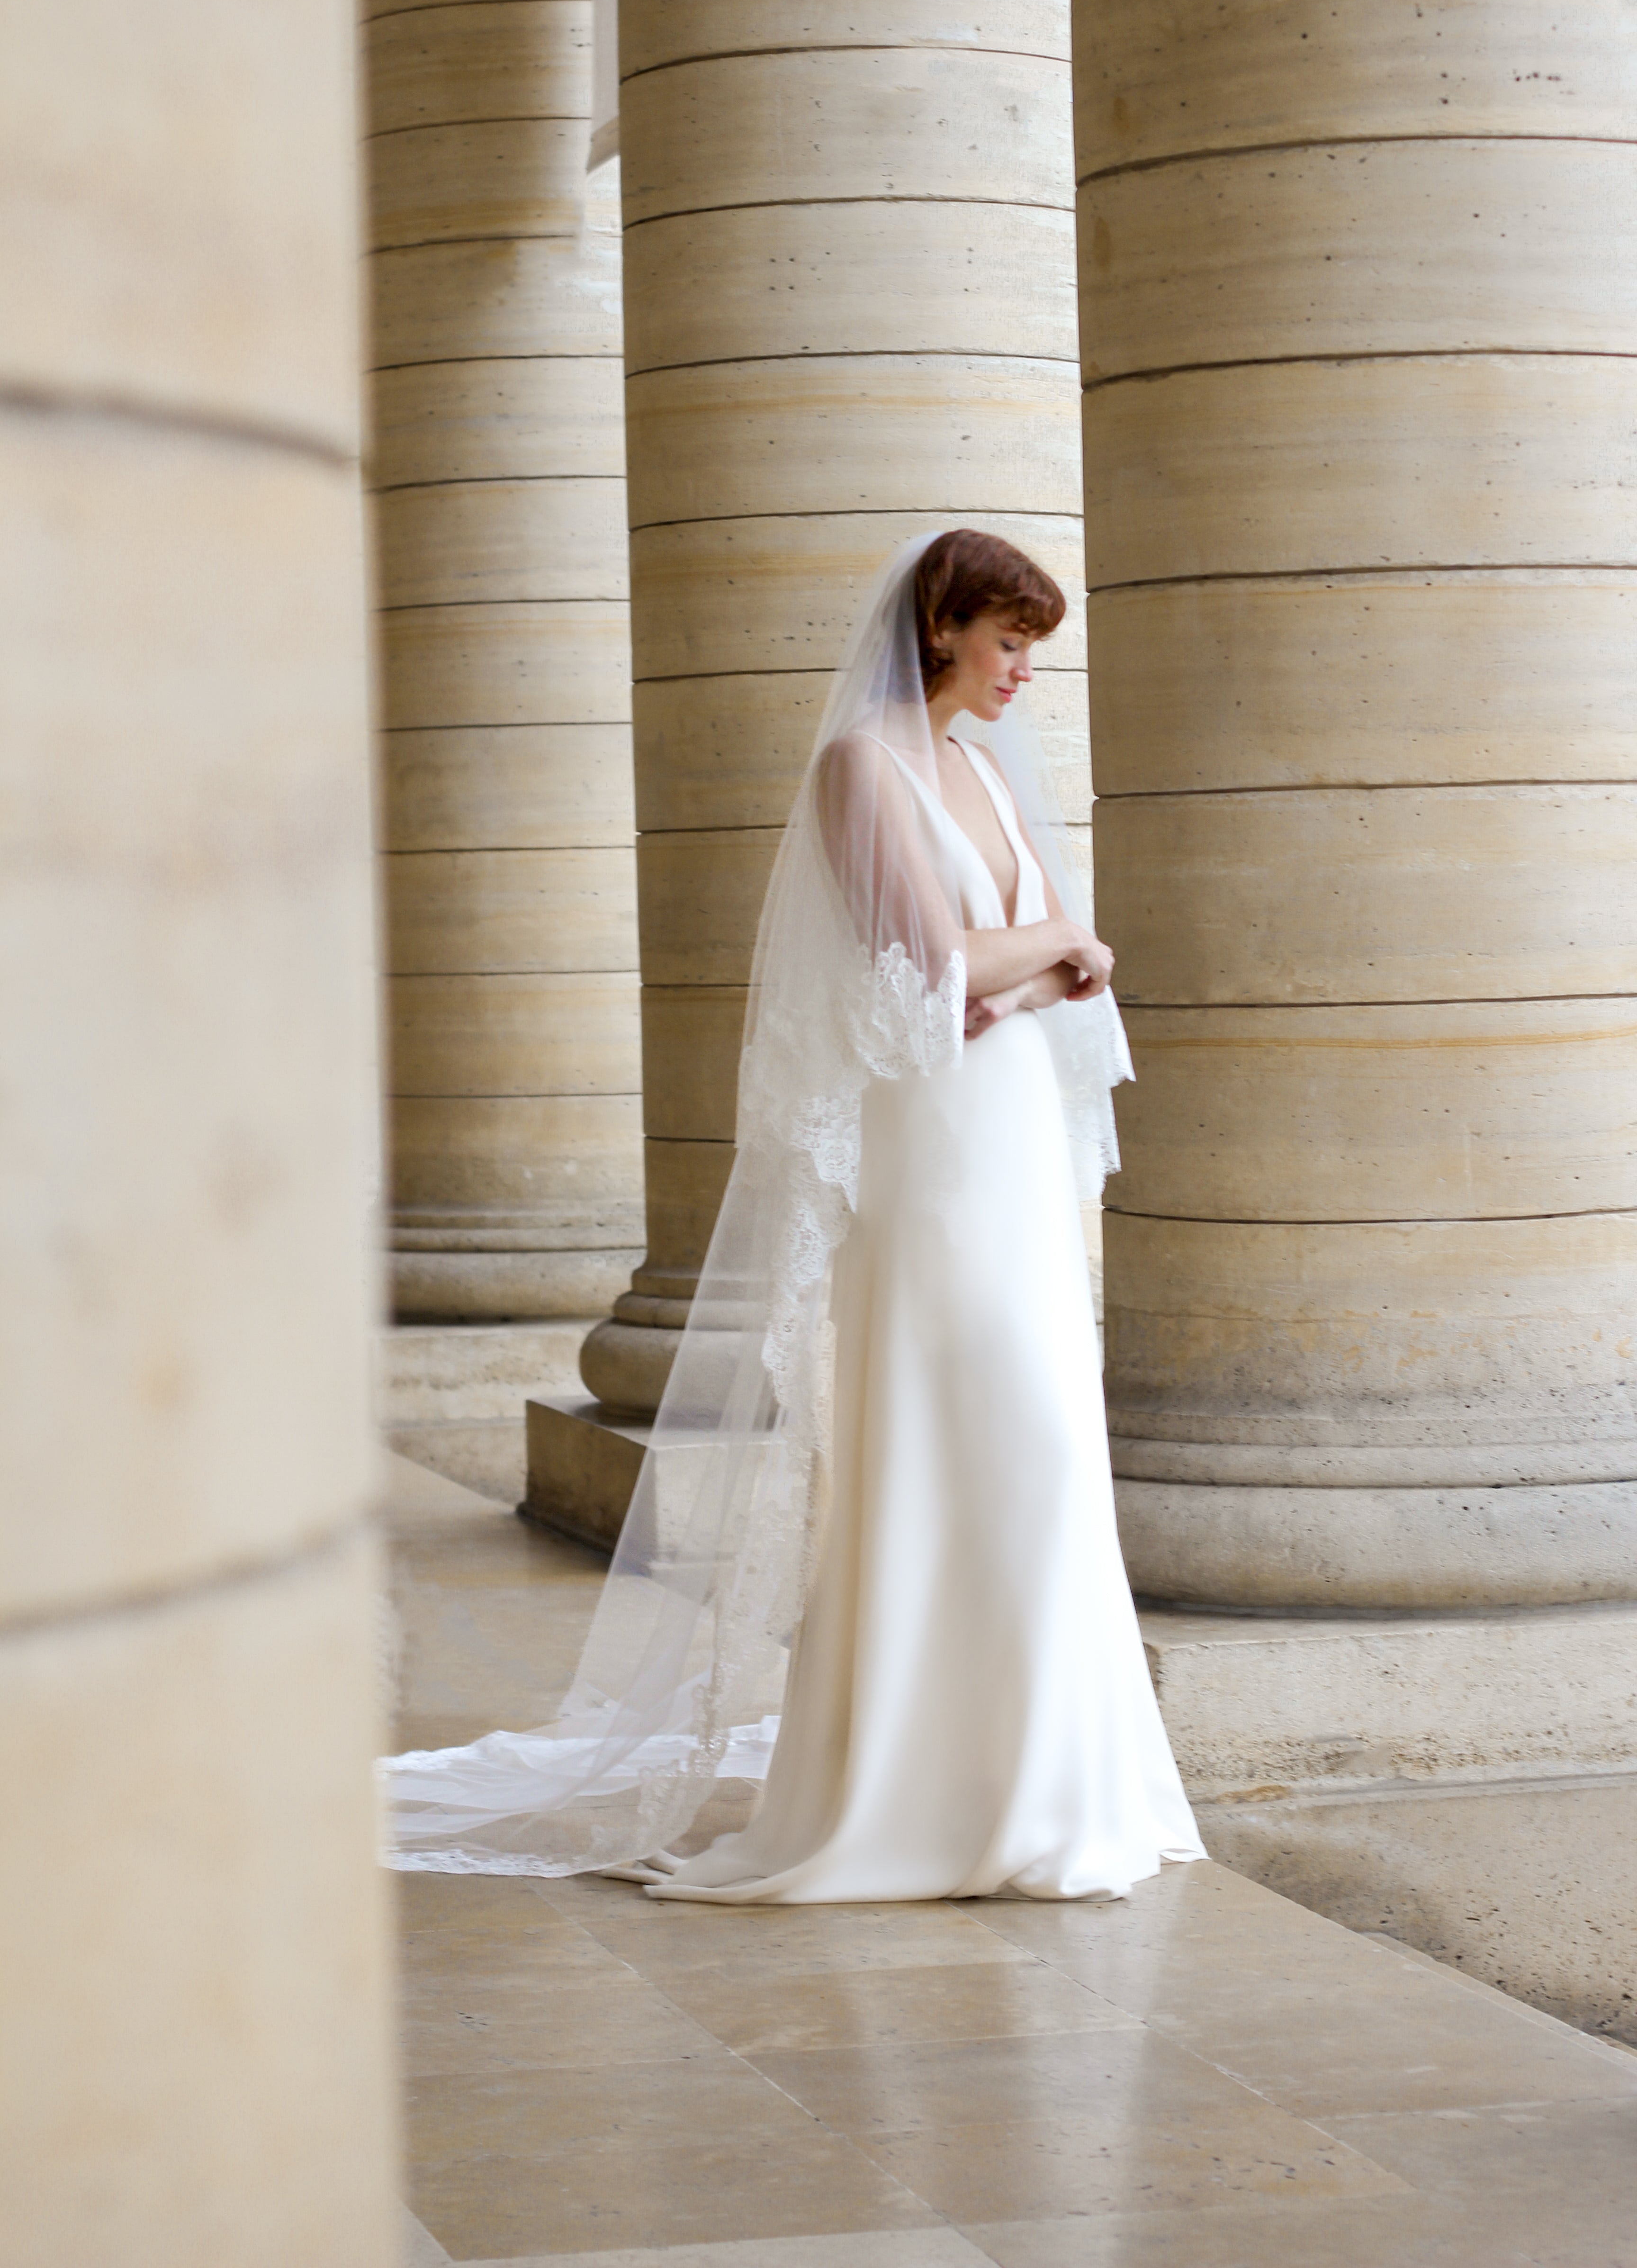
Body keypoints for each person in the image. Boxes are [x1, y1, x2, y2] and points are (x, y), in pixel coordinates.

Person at [382, 530, 1203, 1899]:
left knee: (1048, 1435)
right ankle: (920, 1787)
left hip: (1002, 1144)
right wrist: (1035, 959)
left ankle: (1049, 1779)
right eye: (1008, 643)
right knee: (963, 1431)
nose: (1021, 676)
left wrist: (1028, 963)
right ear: (942, 627)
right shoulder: (859, 767)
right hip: (932, 1161)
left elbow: (1043, 956)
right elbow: (935, 970)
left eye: (1031, 652)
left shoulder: (989, 774)